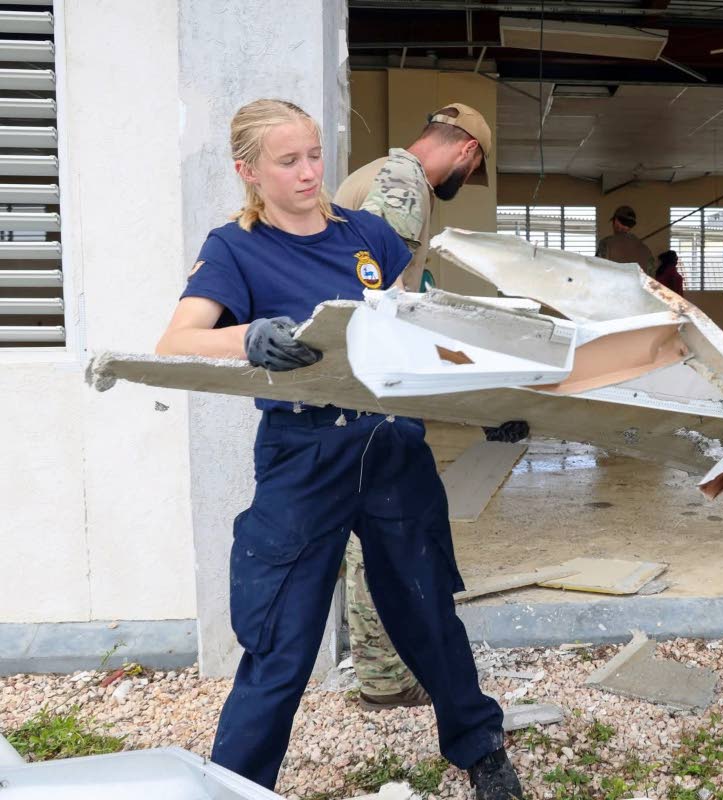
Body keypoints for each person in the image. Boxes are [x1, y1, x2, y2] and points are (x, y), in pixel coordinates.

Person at [156, 98, 523, 799]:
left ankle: (483, 754)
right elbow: (175, 341)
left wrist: (484, 391)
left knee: (427, 614)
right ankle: (235, 785)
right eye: (288, 161)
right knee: (282, 642)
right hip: (303, 454)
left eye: (314, 155)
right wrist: (247, 338)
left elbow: (407, 329)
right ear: (249, 171)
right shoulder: (236, 248)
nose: (308, 173)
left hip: (391, 447)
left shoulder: (369, 236)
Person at [334, 103, 529, 711]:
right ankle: (385, 681)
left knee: (372, 531)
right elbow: (377, 298)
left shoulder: (372, 174)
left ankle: (382, 670)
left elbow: (395, 285)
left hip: (356, 385)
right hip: (372, 389)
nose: (463, 184)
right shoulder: (403, 186)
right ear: (467, 151)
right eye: (471, 174)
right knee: (386, 534)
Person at [596, 204, 654, 276]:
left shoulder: (606, 244)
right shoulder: (646, 250)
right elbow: (651, 280)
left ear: (616, 221)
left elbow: (597, 274)